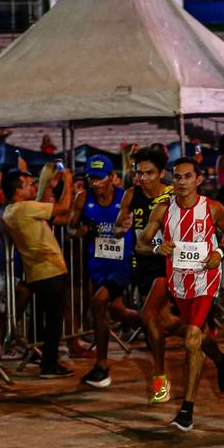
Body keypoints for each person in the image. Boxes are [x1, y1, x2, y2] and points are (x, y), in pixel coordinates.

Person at [137, 157, 224, 432]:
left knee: (192, 339)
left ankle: (186, 410)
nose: (181, 182)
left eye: (187, 177)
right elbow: (142, 242)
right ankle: (220, 359)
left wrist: (220, 252)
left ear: (199, 179)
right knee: (195, 336)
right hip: (178, 282)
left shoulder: (212, 208)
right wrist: (158, 248)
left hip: (206, 279)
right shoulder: (162, 210)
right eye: (177, 177)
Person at [71, 156, 139, 388]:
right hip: (97, 264)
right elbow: (71, 228)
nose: (95, 183)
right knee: (117, 311)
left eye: (100, 178)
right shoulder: (82, 198)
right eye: (91, 178)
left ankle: (102, 365)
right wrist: (79, 230)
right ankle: (155, 322)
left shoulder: (126, 197)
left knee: (98, 302)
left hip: (123, 262)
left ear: (111, 177)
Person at [2, 166, 73, 378]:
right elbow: (63, 207)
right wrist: (67, 182)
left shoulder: (10, 211)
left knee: (46, 321)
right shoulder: (24, 208)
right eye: (27, 184)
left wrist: (47, 184)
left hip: (37, 272)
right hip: (50, 270)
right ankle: (49, 366)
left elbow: (43, 205)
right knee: (53, 322)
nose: (31, 186)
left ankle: (45, 360)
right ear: (17, 191)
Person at [116, 147, 174, 403]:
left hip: (168, 263)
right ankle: (211, 349)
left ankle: (160, 379)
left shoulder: (173, 195)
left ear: (161, 173)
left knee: (148, 315)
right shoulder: (131, 194)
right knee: (162, 321)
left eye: (150, 173)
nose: (144, 178)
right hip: (142, 262)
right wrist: (122, 227)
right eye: (140, 173)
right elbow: (119, 226)